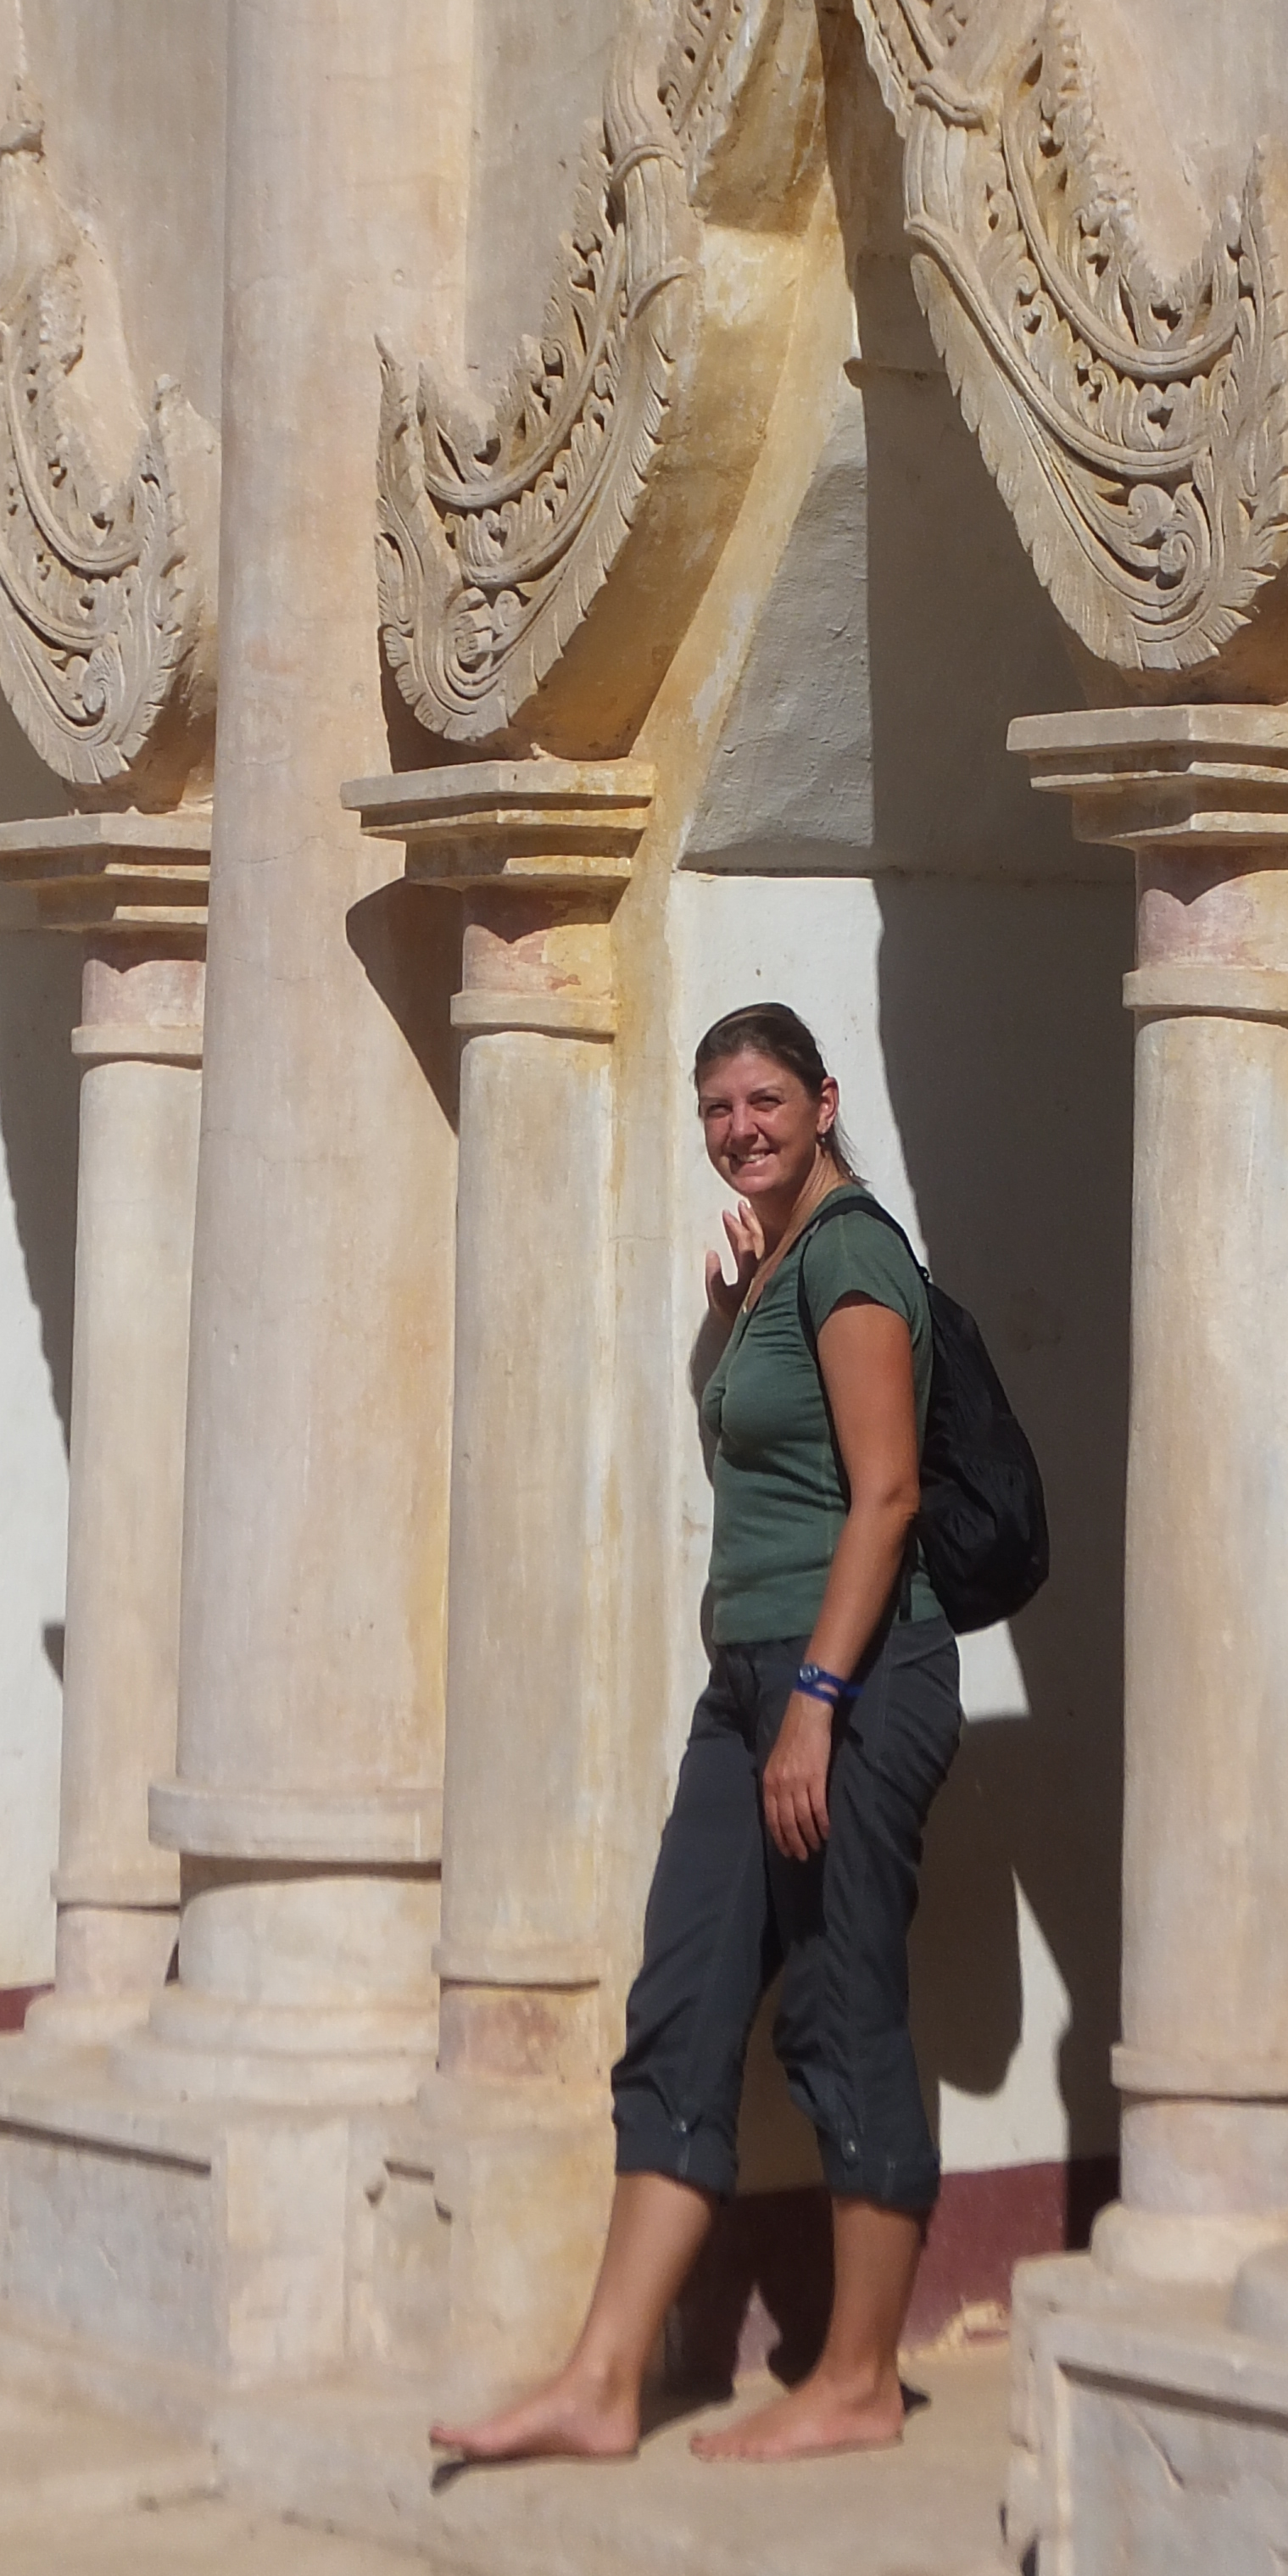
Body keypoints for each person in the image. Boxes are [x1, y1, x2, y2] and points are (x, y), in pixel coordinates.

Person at [432, 1001, 962, 2467]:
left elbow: (887, 1495)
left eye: (765, 1101)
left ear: (824, 1101)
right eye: (719, 1108)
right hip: (752, 1683)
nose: (740, 1129)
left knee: (842, 2009)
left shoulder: (851, 1253)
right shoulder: (777, 1262)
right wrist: (731, 1319)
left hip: (848, 1680)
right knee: (682, 2001)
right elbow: (777, 1455)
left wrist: (818, 1706)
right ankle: (604, 2380)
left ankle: (858, 2381)